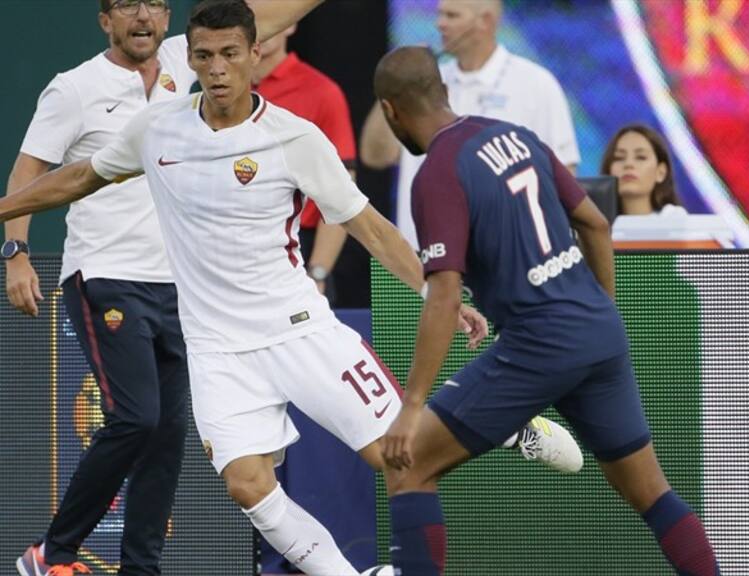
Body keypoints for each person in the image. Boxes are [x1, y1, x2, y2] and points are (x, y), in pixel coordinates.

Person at [0, 3, 582, 575]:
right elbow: (82, 175)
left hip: (299, 329)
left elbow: (370, 229)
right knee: (247, 484)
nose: (218, 68)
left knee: (393, 455)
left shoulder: (293, 137)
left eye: (230, 54)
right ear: (192, 61)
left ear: (256, 55)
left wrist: (437, 295)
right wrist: (6, 214)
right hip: (218, 350)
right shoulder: (157, 128)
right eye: (204, 56)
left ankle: (504, 425)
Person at [4, 1, 329, 575]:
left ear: (167, 14)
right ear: (105, 19)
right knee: (137, 417)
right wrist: (16, 252)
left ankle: (142, 569)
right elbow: (32, 170)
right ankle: (51, 552)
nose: (142, 16)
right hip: (106, 271)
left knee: (170, 433)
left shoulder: (192, 56)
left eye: (153, 3)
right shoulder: (74, 87)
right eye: (127, 5)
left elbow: (269, 18)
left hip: (182, 285)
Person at [373, 46, 721, 576]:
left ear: (391, 110)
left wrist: (413, 403)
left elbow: (444, 294)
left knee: (409, 462)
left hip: (536, 345)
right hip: (596, 329)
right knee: (651, 492)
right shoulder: (515, 134)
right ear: (441, 91)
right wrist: (601, 307)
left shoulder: (437, 173)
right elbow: (596, 224)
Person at [359, 0, 580, 248]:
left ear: (485, 21)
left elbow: (564, 175)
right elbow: (375, 155)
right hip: (420, 256)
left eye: (452, 16)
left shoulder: (535, 84)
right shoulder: (423, 82)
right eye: (440, 14)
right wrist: (398, 81)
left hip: (508, 256)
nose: (440, 23)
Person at [250, 23, 354, 304]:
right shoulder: (220, 91)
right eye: (254, 13)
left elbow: (342, 190)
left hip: (299, 246)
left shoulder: (321, 91)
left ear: (291, 22)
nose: (263, 26)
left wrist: (317, 271)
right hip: (240, 245)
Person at [600, 124, 687, 216]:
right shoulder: (594, 225)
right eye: (619, 158)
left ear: (661, 172)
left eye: (641, 157)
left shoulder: (673, 218)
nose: (628, 164)